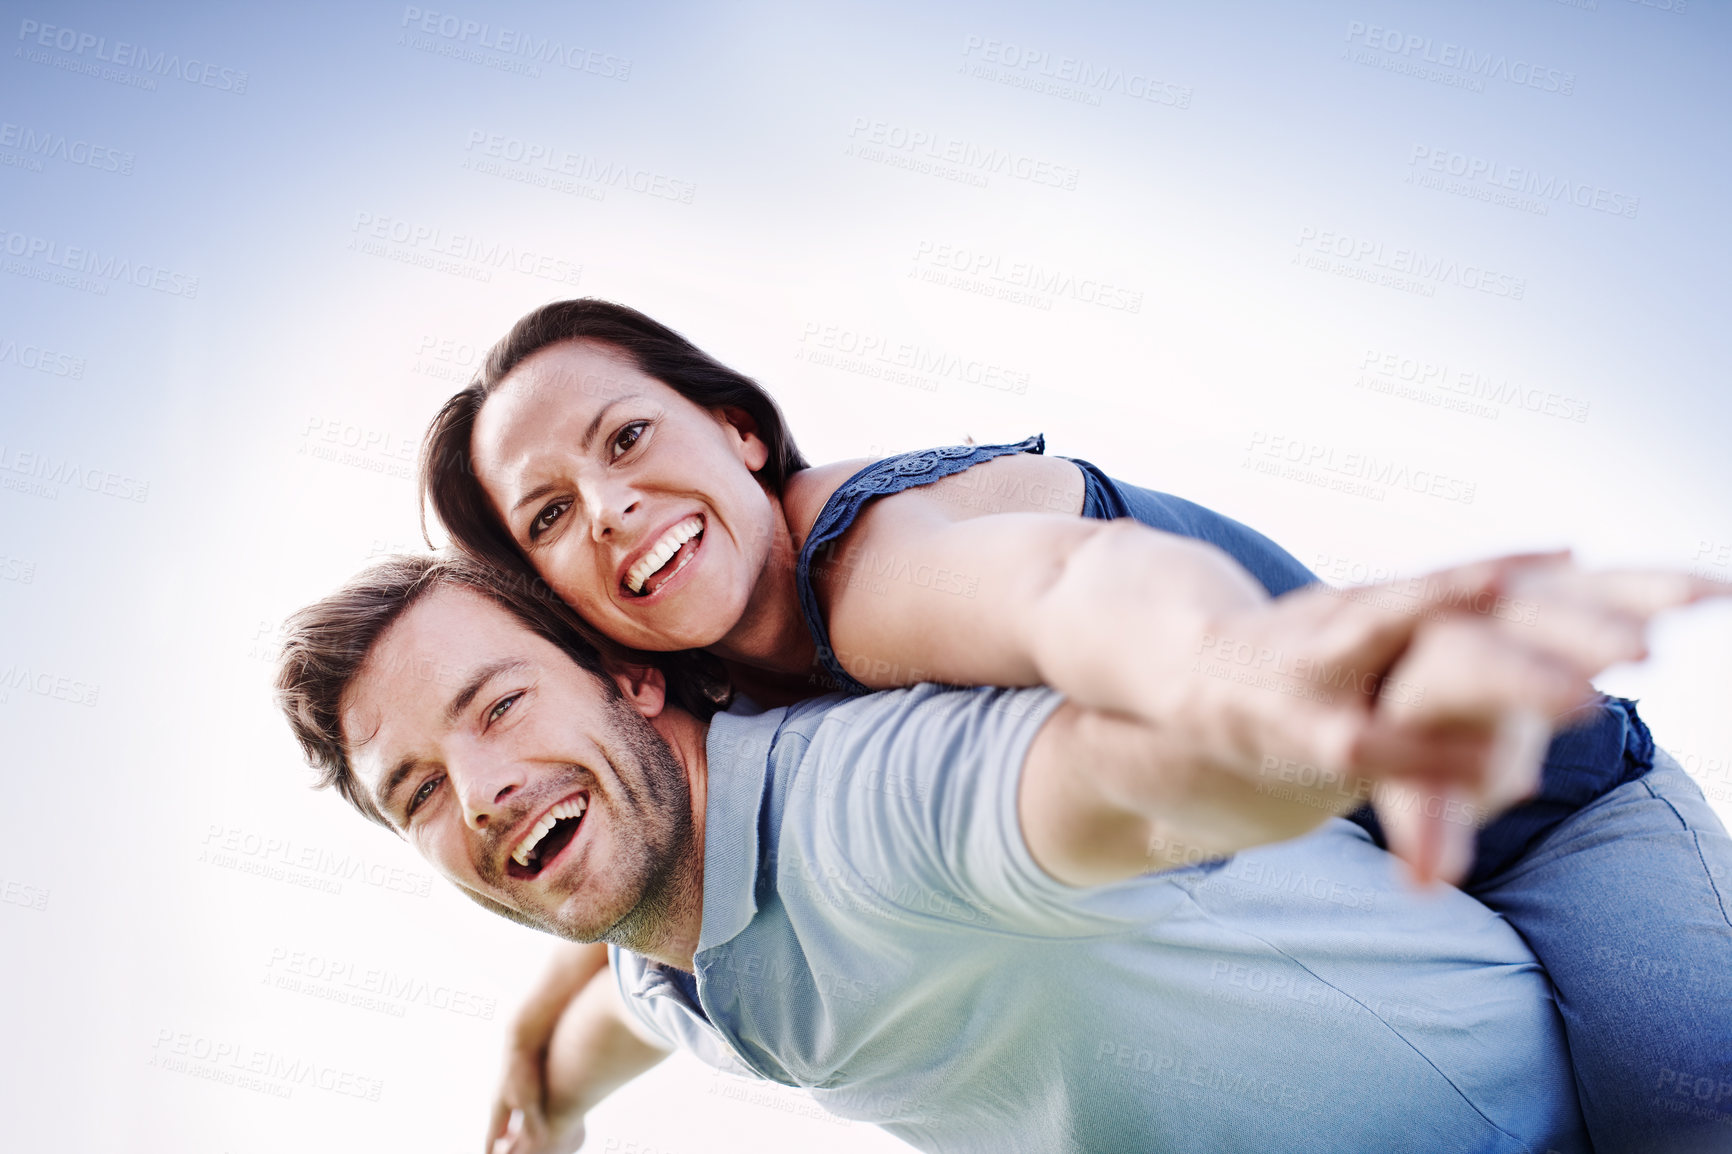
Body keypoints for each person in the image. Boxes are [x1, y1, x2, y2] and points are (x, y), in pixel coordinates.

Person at [420, 299, 1732, 1151]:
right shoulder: (724, 701)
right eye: (547, 515)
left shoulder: (874, 563)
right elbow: (646, 909)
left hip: (1546, 809)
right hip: (1359, 854)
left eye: (628, 434)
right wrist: (532, 1048)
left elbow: (1072, 594)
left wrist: (1250, 674)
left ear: (738, 428)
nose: (609, 505)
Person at [274, 552, 1653, 1153]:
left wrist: (1336, 723)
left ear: (631, 677)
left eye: (499, 703)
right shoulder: (663, 962)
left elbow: (1129, 782)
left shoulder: (868, 803)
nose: (488, 788)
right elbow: (619, 1014)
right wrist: (544, 1091)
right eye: (419, 792)